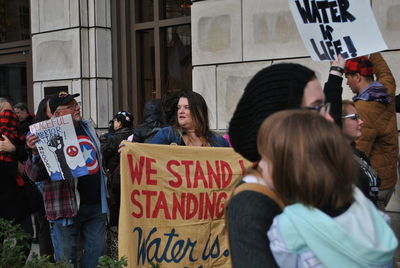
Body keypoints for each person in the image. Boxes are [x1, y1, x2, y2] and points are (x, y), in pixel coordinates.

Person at [227, 63, 333, 267]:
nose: (328, 119)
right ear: (284, 119)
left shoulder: (310, 180)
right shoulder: (251, 202)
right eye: (317, 107)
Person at [259, 110, 397, 267]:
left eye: (265, 158)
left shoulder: (288, 227)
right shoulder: (363, 207)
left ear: (291, 167)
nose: (260, 165)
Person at [25, 92, 108, 268]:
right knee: (66, 262)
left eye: (76, 103)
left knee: (97, 259)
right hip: (65, 209)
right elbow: (34, 175)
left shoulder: (87, 126)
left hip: (95, 206)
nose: (77, 107)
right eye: (71, 106)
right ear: (58, 114)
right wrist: (34, 153)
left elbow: (99, 158)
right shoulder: (43, 134)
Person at [324, 55, 380, 205]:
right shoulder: (335, 156)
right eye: (354, 117)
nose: (361, 121)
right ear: (337, 122)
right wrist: (336, 71)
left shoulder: (358, 154)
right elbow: (330, 108)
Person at [344, 54, 398, 210]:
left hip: (374, 187)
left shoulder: (363, 108)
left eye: (348, 78)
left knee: (369, 233)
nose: (347, 82)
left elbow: (359, 153)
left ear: (358, 77)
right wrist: (371, 49)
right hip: (389, 179)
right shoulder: (386, 89)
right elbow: (385, 73)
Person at [0, 97, 32, 263]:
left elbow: (27, 154)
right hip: (4, 195)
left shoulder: (18, 134)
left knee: (26, 235)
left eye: (12, 112)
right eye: (7, 112)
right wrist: (16, 166)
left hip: (18, 198)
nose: (11, 116)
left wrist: (13, 149)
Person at [150, 90, 229, 147]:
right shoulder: (166, 135)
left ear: (199, 112)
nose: (180, 111)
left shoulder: (219, 141)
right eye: (179, 107)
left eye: (186, 107)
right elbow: (150, 159)